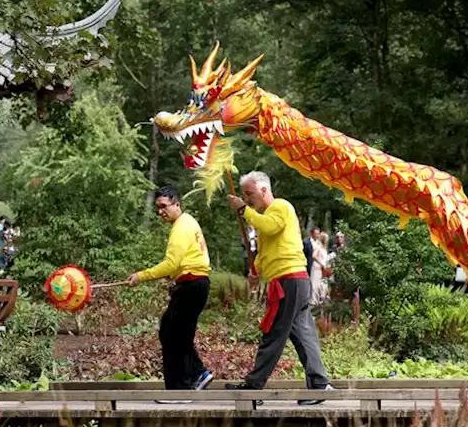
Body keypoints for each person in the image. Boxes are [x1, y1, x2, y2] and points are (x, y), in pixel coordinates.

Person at [225, 172, 333, 402]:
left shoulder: (280, 207)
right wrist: (255, 271)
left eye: (250, 194)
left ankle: (254, 386)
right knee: (303, 334)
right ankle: (320, 385)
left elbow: (271, 227)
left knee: (274, 332)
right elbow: (265, 253)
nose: (247, 198)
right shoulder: (264, 216)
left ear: (264, 190)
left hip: (289, 280)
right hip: (290, 280)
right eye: (245, 195)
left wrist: (244, 210)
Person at [128, 186, 214, 399]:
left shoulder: (181, 227)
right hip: (193, 283)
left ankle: (179, 389)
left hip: (192, 286)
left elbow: (171, 263)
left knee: (173, 337)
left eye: (163, 206)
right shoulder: (187, 222)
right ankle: (198, 373)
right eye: (157, 208)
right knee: (173, 332)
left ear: (177, 203)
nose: (160, 212)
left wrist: (142, 276)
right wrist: (175, 273)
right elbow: (185, 260)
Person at [308, 229, 332, 305]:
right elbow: (314, 256)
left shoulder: (324, 248)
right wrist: (321, 263)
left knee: (322, 285)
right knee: (315, 284)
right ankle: (313, 301)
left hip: (322, 268)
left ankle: (320, 300)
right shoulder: (318, 247)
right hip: (317, 267)